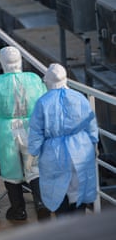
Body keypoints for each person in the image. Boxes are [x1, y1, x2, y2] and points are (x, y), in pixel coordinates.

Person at [0, 46, 49, 221]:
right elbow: (45, 101)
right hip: (32, 126)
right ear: (20, 61)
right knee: (34, 166)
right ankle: (41, 203)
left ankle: (18, 210)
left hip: (6, 129)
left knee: (11, 169)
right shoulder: (33, 78)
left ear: (1, 62)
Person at [28, 63, 99, 217]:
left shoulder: (43, 102)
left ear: (48, 81)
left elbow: (36, 131)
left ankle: (65, 226)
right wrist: (94, 143)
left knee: (57, 190)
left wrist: (32, 153)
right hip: (81, 149)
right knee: (79, 188)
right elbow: (91, 124)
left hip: (54, 153)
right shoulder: (79, 97)